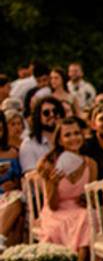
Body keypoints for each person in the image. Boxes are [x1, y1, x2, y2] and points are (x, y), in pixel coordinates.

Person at [36, 117, 97, 261]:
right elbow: (53, 205)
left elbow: (89, 196)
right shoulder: (50, 164)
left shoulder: (90, 164)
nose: (73, 138)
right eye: (68, 135)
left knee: (86, 216)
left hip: (80, 210)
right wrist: (53, 184)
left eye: (77, 133)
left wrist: (87, 198)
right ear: (60, 140)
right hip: (56, 212)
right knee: (84, 220)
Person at [20, 96, 64, 171]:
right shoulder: (29, 144)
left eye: (55, 111)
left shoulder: (68, 139)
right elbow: (30, 175)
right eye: (46, 113)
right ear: (38, 117)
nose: (52, 115)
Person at [0, 111, 23, 250]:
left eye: (1, 129)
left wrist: (14, 184)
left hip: (8, 196)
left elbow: (20, 180)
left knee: (17, 203)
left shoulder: (12, 153)